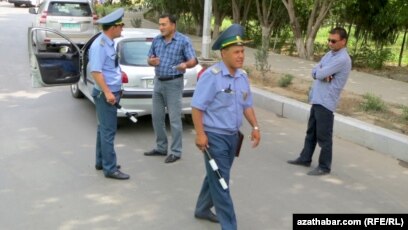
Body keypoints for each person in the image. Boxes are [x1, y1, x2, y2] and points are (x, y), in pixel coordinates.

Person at [191, 24, 261, 230]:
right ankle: (229, 226)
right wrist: (200, 134)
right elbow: (197, 107)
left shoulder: (242, 76)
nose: (241, 56)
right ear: (224, 53)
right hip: (214, 137)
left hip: (232, 137)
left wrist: (255, 127)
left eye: (243, 52)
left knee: (216, 174)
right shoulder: (211, 76)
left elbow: (247, 105)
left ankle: (202, 208)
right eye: (236, 52)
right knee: (222, 181)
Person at [287, 27, 352, 176]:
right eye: (329, 40)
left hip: (326, 102)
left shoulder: (342, 59)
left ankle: (324, 166)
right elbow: (316, 71)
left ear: (343, 42)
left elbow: (320, 72)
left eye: (334, 41)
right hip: (318, 99)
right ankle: (305, 158)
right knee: (311, 132)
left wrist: (322, 72)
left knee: (324, 136)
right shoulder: (330, 54)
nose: (330, 43)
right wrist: (321, 73)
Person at [144, 13, 197, 164]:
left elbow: (193, 60)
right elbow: (149, 58)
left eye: (164, 24)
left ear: (173, 25)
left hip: (174, 83)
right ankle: (161, 147)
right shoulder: (157, 40)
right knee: (157, 117)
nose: (161, 27)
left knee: (174, 119)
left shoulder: (183, 41)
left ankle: (176, 151)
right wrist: (151, 61)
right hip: (158, 82)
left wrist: (186, 65)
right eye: (159, 24)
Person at [89, 8, 129, 180]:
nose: (123, 29)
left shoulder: (109, 42)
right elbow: (96, 72)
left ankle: (101, 161)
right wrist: (107, 92)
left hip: (111, 92)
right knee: (108, 131)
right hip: (107, 94)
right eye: (121, 25)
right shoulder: (100, 45)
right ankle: (110, 168)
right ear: (113, 27)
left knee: (102, 129)